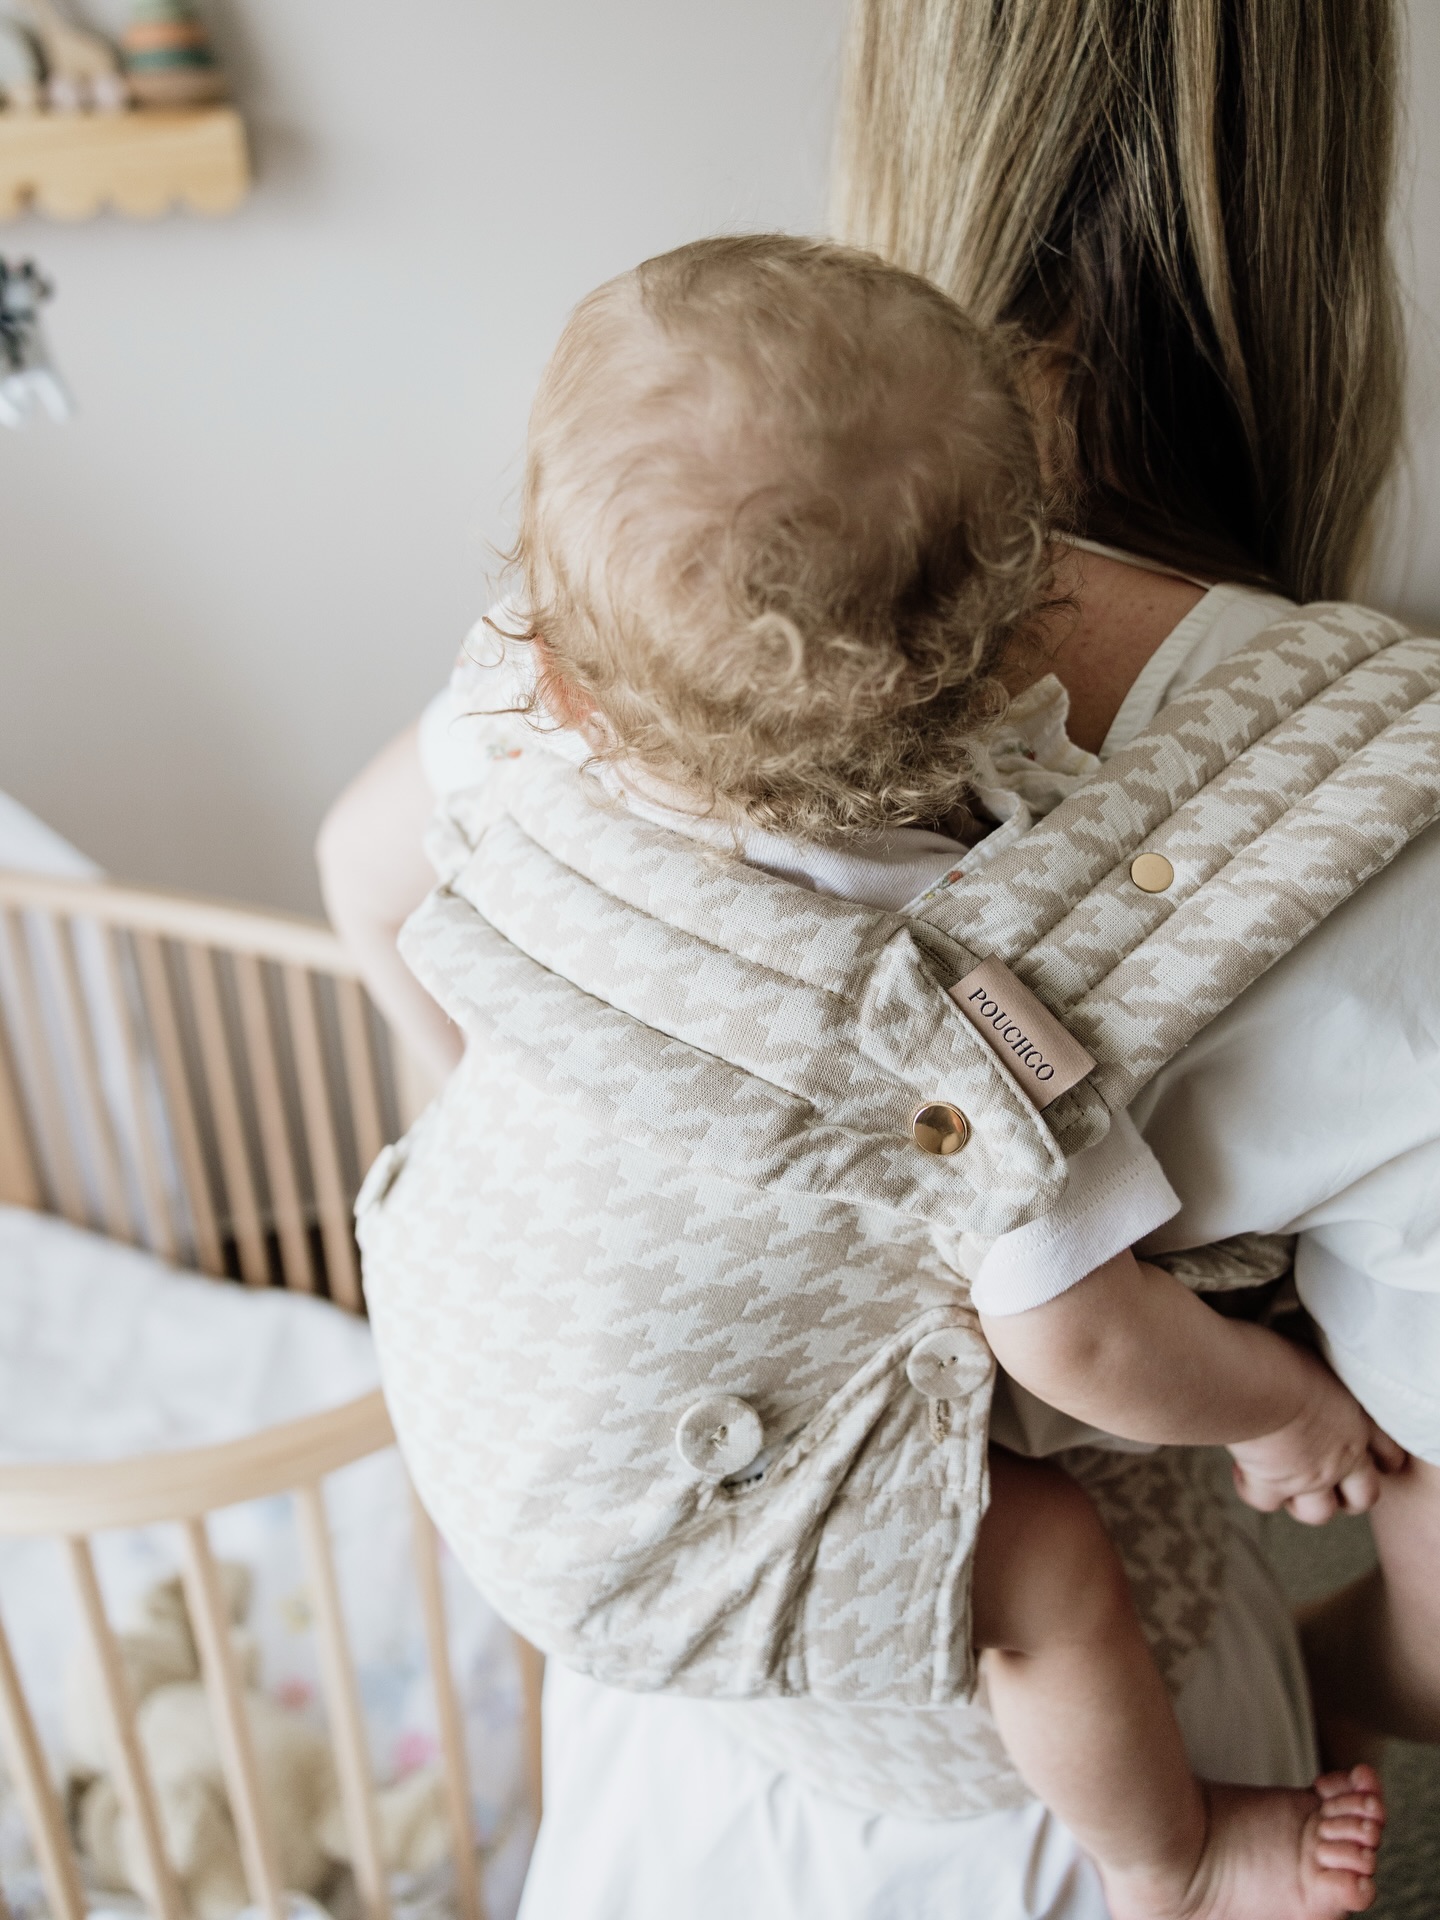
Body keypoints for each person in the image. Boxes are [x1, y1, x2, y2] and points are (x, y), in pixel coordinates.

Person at [320, 4, 1436, 1914]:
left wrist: (622, 1170)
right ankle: (1175, 1858)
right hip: (942, 1756)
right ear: (1021, 610)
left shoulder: (528, 747)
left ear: (564, 670)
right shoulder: (947, 1028)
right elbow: (1072, 1334)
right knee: (1048, 1567)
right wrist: (1288, 1414)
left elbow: (361, 880)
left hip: (508, 1426)